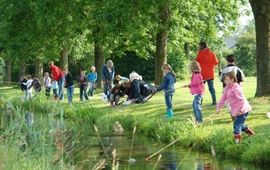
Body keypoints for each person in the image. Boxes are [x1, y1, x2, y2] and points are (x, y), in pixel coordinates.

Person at [216, 72, 255, 144]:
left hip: (242, 110)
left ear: (232, 79)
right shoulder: (227, 88)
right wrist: (218, 107)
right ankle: (251, 134)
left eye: (227, 79)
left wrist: (238, 110)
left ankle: (238, 143)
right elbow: (223, 98)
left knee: (236, 125)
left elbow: (241, 101)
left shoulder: (236, 88)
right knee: (239, 124)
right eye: (224, 80)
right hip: (236, 110)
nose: (225, 81)